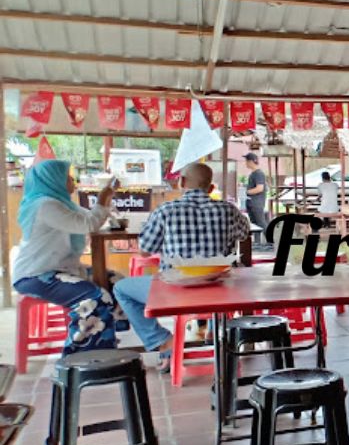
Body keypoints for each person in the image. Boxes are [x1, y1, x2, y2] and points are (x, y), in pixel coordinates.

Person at [114, 163, 250, 372]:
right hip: (221, 291)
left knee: (121, 288)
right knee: (218, 274)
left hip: (176, 293)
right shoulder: (228, 210)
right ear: (211, 188)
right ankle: (214, 332)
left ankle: (162, 341)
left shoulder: (165, 211)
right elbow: (244, 234)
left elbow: (145, 250)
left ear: (182, 182)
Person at [13, 160, 128, 355]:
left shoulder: (60, 204)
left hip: (62, 271)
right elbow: (89, 224)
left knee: (119, 284)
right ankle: (83, 353)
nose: (72, 180)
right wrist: (104, 196)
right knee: (94, 297)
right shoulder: (45, 206)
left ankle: (105, 338)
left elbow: (91, 218)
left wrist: (106, 201)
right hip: (36, 276)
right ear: (53, 180)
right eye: (66, 177)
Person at [243, 152, 269, 244]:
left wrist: (247, 192)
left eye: (246, 161)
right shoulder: (253, 174)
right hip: (251, 202)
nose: (245, 163)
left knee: (261, 222)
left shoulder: (259, 174)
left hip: (257, 203)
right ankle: (257, 243)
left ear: (251, 161)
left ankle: (271, 240)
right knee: (254, 224)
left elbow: (260, 188)